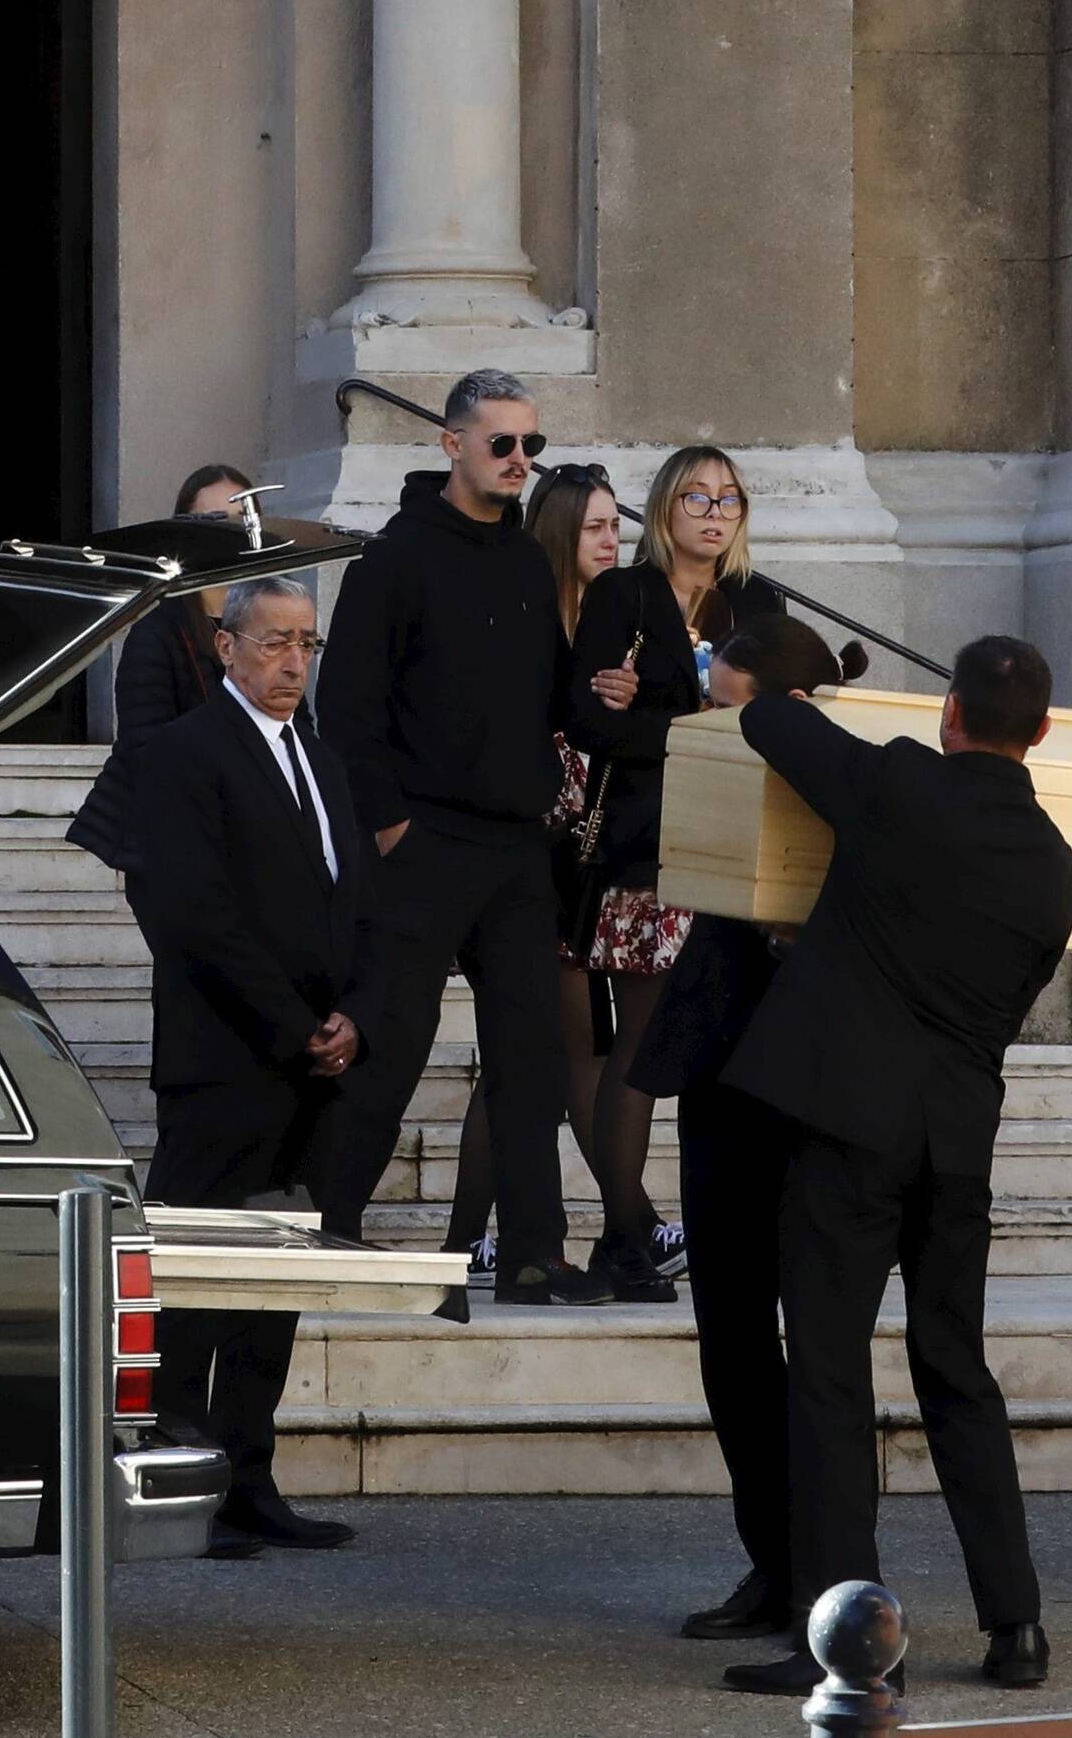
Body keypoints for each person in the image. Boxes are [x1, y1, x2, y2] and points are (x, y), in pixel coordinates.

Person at [715, 629, 1072, 1697]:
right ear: (1043, 733)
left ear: (947, 712)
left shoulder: (898, 785)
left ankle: (843, 1633)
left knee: (826, 1371)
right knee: (954, 1367)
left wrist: (769, 673)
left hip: (849, 1126)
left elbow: (769, 717)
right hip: (956, 1136)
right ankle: (1014, 1623)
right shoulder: (1056, 862)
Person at [307, 372, 590, 1303]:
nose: (519, 462)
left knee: (531, 1054)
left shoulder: (522, 563)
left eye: (530, 446)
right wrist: (390, 826)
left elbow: (544, 698)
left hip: (514, 850)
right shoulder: (392, 560)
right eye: (501, 443)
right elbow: (346, 711)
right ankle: (328, 1225)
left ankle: (534, 1253)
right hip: (423, 844)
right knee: (390, 1039)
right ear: (452, 444)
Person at [111, 573, 368, 1560]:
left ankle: (249, 1476)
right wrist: (293, 1022)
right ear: (226, 646)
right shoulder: (182, 753)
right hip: (224, 1060)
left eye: (306, 642)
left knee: (272, 1285)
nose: (292, 661)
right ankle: (179, 1479)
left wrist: (355, 1015)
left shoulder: (322, 758)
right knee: (198, 1286)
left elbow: (361, 901)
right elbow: (192, 913)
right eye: (272, 642)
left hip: (314, 1067)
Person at [629, 610, 851, 1647]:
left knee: (805, 1346)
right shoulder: (728, 758)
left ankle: (821, 1572)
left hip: (800, 1088)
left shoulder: (849, 785)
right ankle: (771, 1558)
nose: (716, 724)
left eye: (733, 708)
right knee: (727, 1335)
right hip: (721, 1077)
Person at [439, 464, 647, 1292]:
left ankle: (612, 1224)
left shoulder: (607, 629)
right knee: (533, 1059)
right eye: (597, 526)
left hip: (577, 878)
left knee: (542, 1059)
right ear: (563, 533)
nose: (612, 541)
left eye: (617, 527)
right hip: (526, 871)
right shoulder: (533, 625)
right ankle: (615, 1224)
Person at [564, 445, 757, 1286]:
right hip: (646, 848)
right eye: (696, 497)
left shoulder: (756, 605)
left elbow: (778, 717)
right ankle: (621, 1230)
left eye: (729, 499)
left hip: (735, 847)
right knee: (641, 1046)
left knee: (723, 1050)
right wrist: (693, 735)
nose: (714, 513)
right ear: (665, 508)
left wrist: (659, 717)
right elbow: (591, 721)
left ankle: (722, 1230)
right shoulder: (623, 595)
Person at [106, 464, 257, 748]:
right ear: (185, 530)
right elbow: (144, 747)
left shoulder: (270, 619)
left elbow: (297, 729)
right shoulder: (156, 630)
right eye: (213, 520)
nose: (227, 533)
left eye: (240, 521)